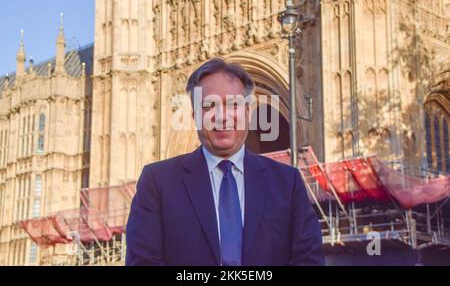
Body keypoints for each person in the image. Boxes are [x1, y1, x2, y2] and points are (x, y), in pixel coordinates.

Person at [125, 58, 324, 266]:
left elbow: (308, 260)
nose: (222, 117)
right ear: (195, 116)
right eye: (210, 106)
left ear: (248, 112)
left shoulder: (287, 182)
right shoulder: (158, 183)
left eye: (233, 104)